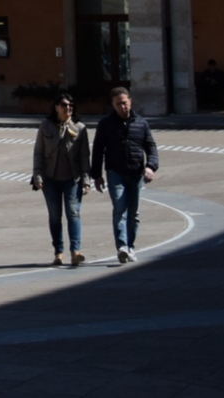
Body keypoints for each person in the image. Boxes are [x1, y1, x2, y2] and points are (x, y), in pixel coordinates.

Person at [90, 85, 159, 263]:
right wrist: (96, 175)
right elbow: (97, 150)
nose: (123, 107)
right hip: (115, 172)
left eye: (125, 103)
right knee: (120, 209)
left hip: (136, 172)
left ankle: (130, 247)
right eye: (119, 104)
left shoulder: (141, 123)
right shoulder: (105, 124)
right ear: (113, 105)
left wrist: (151, 166)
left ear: (130, 101)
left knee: (134, 213)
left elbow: (151, 146)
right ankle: (121, 246)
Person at [31, 94, 91, 266]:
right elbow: (38, 152)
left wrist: (86, 180)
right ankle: (58, 252)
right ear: (56, 107)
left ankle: (75, 251)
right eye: (64, 105)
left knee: (73, 212)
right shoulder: (46, 126)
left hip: (73, 178)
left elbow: (85, 156)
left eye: (71, 105)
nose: (68, 108)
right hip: (50, 179)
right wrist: (38, 175)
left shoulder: (80, 128)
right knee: (55, 216)